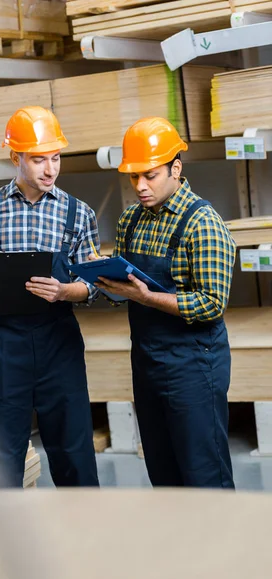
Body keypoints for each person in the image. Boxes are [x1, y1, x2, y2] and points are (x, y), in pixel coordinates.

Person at [0, 106, 100, 489]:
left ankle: (86, 539)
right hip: (3, 347)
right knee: (2, 457)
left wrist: (66, 291)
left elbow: (93, 285)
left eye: (55, 157)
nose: (50, 169)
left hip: (58, 343)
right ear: (15, 158)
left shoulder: (78, 214)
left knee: (74, 453)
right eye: (38, 160)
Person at [93, 116, 235, 489]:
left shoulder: (202, 223)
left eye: (150, 175)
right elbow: (121, 287)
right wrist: (99, 278)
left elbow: (210, 304)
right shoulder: (130, 222)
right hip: (147, 361)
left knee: (204, 472)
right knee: (163, 469)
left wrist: (147, 297)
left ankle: (226, 547)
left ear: (176, 168)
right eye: (132, 177)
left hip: (194, 363)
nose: (140, 186)